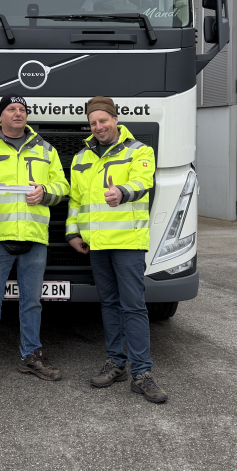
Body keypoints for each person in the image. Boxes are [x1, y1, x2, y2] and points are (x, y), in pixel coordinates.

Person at [66, 96, 167, 403]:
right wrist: (73, 233)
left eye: (103, 120)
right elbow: (76, 200)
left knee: (133, 306)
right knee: (109, 304)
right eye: (93, 122)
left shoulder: (139, 150)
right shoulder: (81, 157)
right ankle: (116, 363)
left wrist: (122, 192)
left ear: (115, 120)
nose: (98, 127)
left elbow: (143, 181)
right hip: (97, 245)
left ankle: (142, 373)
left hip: (127, 243)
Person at [0, 95, 69, 390]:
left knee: (32, 302)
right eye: (11, 109)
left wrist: (45, 192)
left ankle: (31, 356)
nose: (18, 113)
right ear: (0, 116)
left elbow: (63, 186)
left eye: (22, 109)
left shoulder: (46, 149)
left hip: (34, 236)